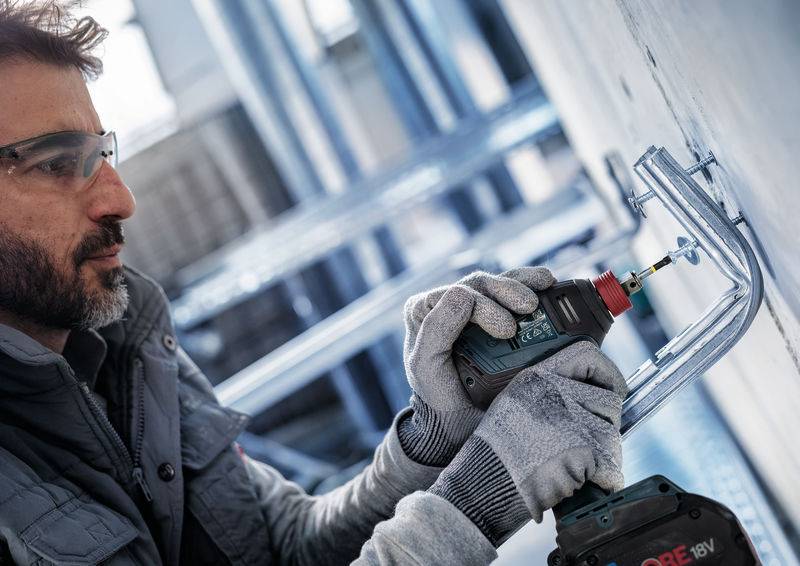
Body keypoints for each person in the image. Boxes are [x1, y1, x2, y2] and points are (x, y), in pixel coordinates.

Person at [0, 2, 627, 564]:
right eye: (58, 163)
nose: (122, 199)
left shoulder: (125, 341)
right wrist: (473, 505)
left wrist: (433, 438)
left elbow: (289, 547)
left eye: (103, 156)